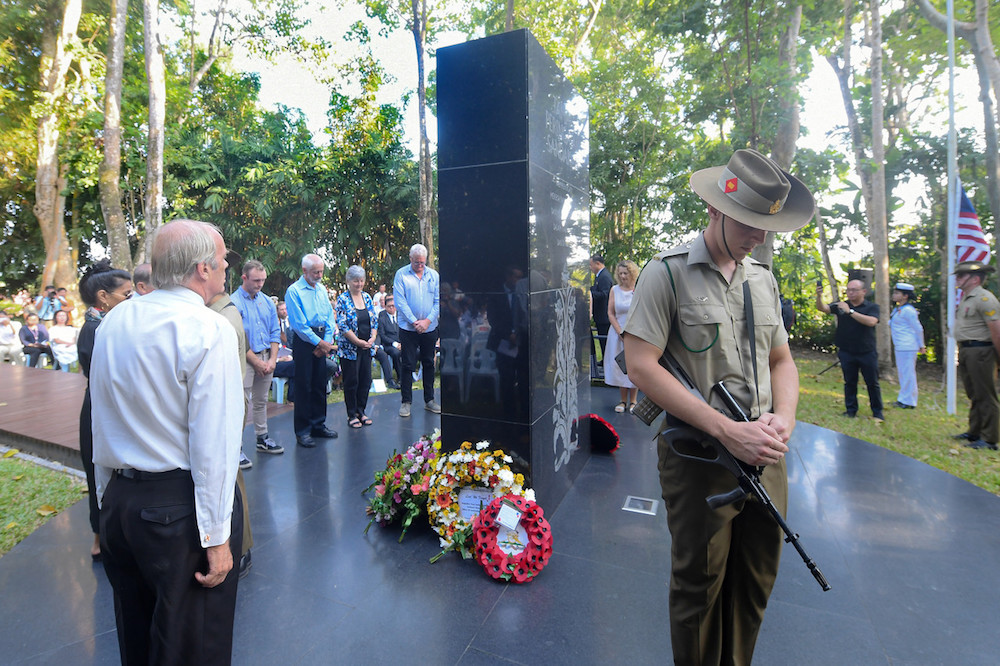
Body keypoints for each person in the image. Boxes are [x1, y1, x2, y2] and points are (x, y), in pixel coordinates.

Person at [623, 148, 814, 665]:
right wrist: (727, 431)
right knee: (699, 585)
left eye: (766, 227)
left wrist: (784, 419)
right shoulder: (666, 273)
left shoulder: (762, 279)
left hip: (764, 455)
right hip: (700, 458)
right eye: (749, 224)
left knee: (755, 580)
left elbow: (783, 362)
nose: (759, 237)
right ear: (715, 209)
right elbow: (640, 365)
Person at [90, 219, 243, 664]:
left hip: (121, 504)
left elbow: (101, 419)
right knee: (193, 646)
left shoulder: (113, 322)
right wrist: (217, 537)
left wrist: (105, 502)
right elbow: (215, 443)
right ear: (202, 269)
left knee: (135, 638)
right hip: (179, 512)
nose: (224, 271)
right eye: (222, 262)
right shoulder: (207, 329)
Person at [76, 261, 133, 561]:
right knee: (98, 472)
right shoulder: (94, 330)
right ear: (103, 297)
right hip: (99, 409)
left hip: (108, 407)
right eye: (126, 295)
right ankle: (100, 538)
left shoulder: (106, 325)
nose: (132, 300)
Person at [284, 253, 340, 447]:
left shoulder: (322, 289)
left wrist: (325, 342)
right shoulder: (294, 291)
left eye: (321, 272)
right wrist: (320, 343)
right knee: (303, 386)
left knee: (319, 384)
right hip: (304, 341)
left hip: (321, 339)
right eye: (316, 272)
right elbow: (298, 325)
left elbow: (329, 318)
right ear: (304, 271)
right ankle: (303, 430)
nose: (319, 275)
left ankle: (318, 425)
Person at [232, 259, 284, 456]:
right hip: (245, 358)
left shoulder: (266, 302)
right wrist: (256, 361)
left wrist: (272, 360)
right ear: (244, 277)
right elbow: (237, 338)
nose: (260, 284)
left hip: (265, 356)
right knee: (242, 404)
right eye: (256, 280)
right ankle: (236, 447)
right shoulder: (234, 302)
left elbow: (274, 331)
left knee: (261, 401)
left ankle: (262, 437)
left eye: (262, 280)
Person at [816, 278, 884, 421]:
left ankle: (877, 412)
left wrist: (850, 312)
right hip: (847, 351)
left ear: (863, 292)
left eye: (854, 290)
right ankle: (851, 410)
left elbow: (872, 322)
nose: (850, 293)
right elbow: (823, 308)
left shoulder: (872, 307)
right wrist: (819, 296)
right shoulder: (841, 305)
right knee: (850, 382)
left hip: (867, 352)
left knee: (872, 383)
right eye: (848, 290)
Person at [952, 261, 1000, 450]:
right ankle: (975, 432)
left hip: (981, 351)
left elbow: (996, 329)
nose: (958, 279)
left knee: (986, 395)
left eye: (961, 276)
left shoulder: (984, 298)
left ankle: (989, 439)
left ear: (975, 278)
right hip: (967, 350)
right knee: (974, 393)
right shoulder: (967, 297)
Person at [393, 243, 441, 417]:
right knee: (407, 364)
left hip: (430, 327)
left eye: (422, 262)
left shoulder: (434, 275)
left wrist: (427, 321)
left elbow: (438, 301)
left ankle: (430, 399)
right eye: (416, 262)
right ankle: (406, 401)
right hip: (408, 328)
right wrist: (415, 322)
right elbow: (400, 302)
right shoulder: (401, 275)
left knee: (429, 362)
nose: (420, 265)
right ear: (410, 258)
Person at [336, 265, 378, 428]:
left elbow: (373, 320)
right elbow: (343, 325)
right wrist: (358, 342)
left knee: (365, 381)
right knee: (352, 381)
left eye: (361, 280)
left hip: (367, 347)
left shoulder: (367, 297)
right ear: (348, 281)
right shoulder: (343, 299)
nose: (359, 284)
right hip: (350, 349)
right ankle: (351, 414)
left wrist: (372, 338)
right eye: (355, 281)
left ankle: (362, 411)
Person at [603, 260, 640, 413]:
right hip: (617, 333)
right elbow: (610, 313)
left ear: (632, 274)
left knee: (635, 365)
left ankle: (633, 401)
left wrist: (633, 332)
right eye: (620, 273)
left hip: (635, 333)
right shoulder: (614, 290)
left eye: (626, 273)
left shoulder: (639, 289)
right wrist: (619, 332)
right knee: (620, 365)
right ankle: (623, 400)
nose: (623, 276)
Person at [889, 282, 925, 409]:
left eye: (897, 293)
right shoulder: (898, 309)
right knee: (903, 373)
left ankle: (909, 401)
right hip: (900, 345)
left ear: (905, 296)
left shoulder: (909, 311)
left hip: (908, 345)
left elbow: (918, 328)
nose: (894, 295)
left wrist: (922, 345)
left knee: (908, 373)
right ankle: (903, 398)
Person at [374, 294, 402, 389]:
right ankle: (399, 377)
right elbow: (382, 335)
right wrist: (395, 344)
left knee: (412, 351)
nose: (391, 308)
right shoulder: (382, 319)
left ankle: (408, 375)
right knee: (396, 353)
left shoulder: (400, 317)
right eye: (389, 306)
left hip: (402, 343)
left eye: (393, 306)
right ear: (385, 307)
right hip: (389, 344)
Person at [590, 254, 613, 354]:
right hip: (600, 316)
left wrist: (590, 294)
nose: (590, 268)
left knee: (605, 341)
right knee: (602, 341)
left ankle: (606, 360)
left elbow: (605, 294)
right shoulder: (599, 276)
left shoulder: (604, 277)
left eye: (591, 265)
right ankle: (603, 359)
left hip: (604, 315)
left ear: (597, 264)